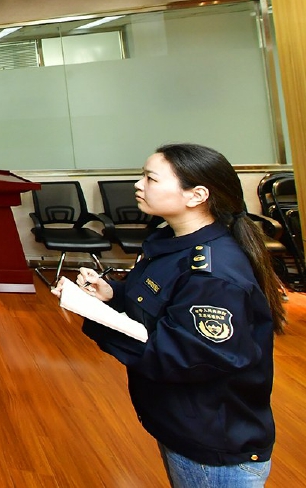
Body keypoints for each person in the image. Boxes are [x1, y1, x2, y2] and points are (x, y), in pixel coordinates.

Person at [55, 143, 286, 488]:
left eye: (150, 178)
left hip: (213, 444)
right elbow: (159, 302)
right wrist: (112, 294)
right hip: (181, 424)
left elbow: (181, 356)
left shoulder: (213, 273)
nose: (138, 185)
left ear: (197, 195)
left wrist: (97, 317)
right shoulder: (171, 243)